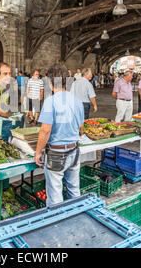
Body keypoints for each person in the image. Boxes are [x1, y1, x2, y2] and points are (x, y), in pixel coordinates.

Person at [34, 64, 85, 207]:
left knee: (55, 197)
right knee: (74, 190)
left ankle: (59, 226)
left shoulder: (50, 101)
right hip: (74, 151)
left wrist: (38, 152)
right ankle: (78, 217)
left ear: (50, 83)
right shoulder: (77, 100)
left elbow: (45, 130)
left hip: (56, 153)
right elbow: (81, 127)